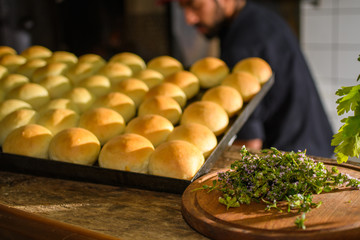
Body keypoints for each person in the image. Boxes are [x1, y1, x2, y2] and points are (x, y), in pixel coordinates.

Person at [178, 0, 334, 158]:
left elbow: (249, 144)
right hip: (318, 144)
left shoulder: (242, 45)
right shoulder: (258, 17)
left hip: (293, 160)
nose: (189, 19)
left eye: (195, 6)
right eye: (182, 7)